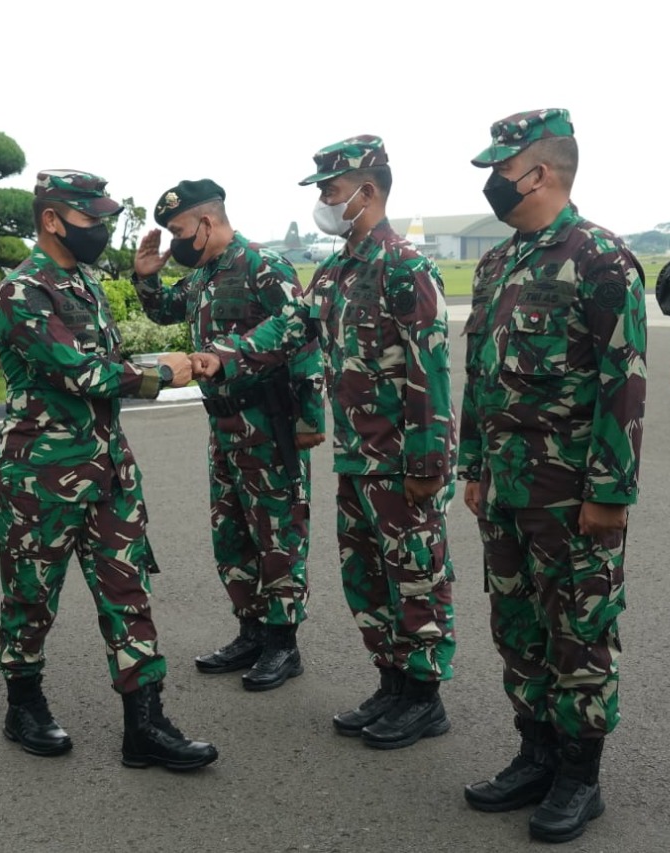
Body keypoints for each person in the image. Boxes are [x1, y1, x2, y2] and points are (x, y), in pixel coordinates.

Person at [192, 136, 457, 750]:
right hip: (356, 456)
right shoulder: (337, 270)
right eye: (321, 191)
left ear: (368, 192)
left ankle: (424, 696)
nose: (324, 200)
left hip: (399, 460)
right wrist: (220, 356)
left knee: (414, 576)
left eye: (332, 190)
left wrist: (427, 462)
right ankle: (392, 682)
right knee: (366, 576)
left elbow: (431, 372)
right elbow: (289, 328)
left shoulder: (406, 267)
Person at [456, 110, 647, 843]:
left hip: (571, 493)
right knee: (517, 624)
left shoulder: (599, 258)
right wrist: (473, 463)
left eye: (499, 169)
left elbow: (622, 385)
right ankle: (534, 752)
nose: (491, 183)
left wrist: (609, 492)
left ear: (537, 172)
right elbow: (480, 374)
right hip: (504, 487)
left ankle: (579, 773)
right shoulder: (498, 262)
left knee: (581, 630)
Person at [0, 169, 217, 770]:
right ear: (52, 220)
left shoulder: (83, 281)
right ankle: (25, 704)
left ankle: (144, 724)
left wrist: (149, 362)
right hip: (39, 474)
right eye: (92, 220)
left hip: (108, 467)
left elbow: (104, 360)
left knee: (129, 590)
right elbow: (81, 372)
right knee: (31, 596)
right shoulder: (23, 291)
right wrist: (164, 373)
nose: (102, 230)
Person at [132, 179, 324, 691]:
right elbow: (164, 311)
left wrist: (309, 420)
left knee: (278, 534)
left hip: (269, 423)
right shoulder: (203, 275)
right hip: (223, 425)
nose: (175, 242)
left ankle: (284, 643)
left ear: (207, 222)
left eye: (178, 230)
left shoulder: (265, 267)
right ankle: (251, 630)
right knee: (232, 533)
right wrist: (146, 279)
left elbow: (302, 333)